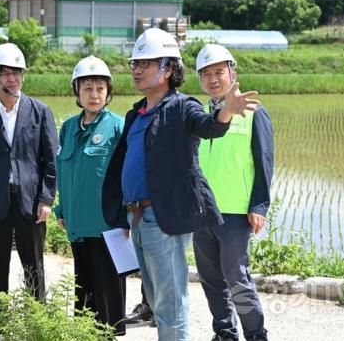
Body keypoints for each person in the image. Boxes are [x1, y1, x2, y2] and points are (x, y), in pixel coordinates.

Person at [102, 27, 260, 340]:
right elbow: (124, 164)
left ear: (169, 69)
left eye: (145, 63)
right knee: (155, 299)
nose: (136, 69)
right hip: (136, 218)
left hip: (162, 217)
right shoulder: (137, 114)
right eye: (135, 63)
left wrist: (225, 111)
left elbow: (207, 126)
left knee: (171, 303)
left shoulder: (182, 106)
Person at [0, 43, 58, 319]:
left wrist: (46, 199)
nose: (12, 79)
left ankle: (37, 321)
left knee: (34, 265)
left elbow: (50, 160)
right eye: (5, 73)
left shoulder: (40, 111)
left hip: (30, 201)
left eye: (17, 73)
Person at [193, 44, 273, 341]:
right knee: (211, 279)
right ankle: (225, 333)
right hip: (202, 213)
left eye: (218, 72)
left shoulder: (253, 112)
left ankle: (256, 335)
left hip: (236, 212)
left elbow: (265, 160)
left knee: (237, 277)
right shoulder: (199, 115)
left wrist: (260, 205)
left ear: (232, 73)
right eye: (206, 74)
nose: (213, 79)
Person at [54, 55, 126, 335]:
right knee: (83, 284)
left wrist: (126, 216)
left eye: (99, 88)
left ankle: (108, 336)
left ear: (108, 92)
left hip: (107, 223)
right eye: (87, 89)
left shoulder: (118, 126)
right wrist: (62, 210)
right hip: (77, 223)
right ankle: (84, 334)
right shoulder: (69, 128)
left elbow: (127, 174)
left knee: (108, 285)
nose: (94, 95)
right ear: (77, 92)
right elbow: (63, 170)